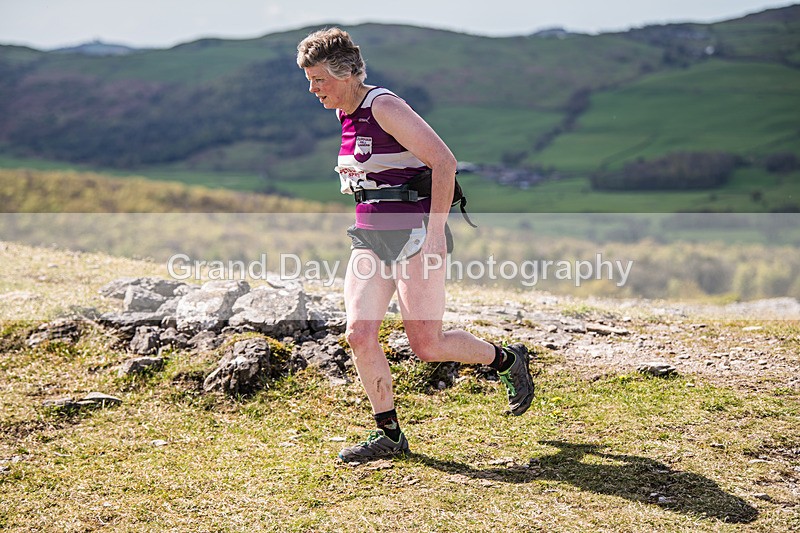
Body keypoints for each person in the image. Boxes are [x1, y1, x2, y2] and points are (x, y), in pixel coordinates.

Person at [296, 27, 534, 463]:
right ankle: (389, 434)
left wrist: (435, 233)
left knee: (427, 344)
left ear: (346, 73)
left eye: (319, 80)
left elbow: (444, 161)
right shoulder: (345, 114)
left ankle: (506, 360)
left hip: (415, 235)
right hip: (369, 237)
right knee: (358, 333)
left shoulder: (383, 106)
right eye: (309, 80)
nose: (313, 90)